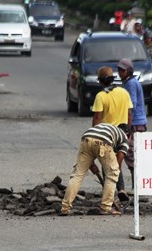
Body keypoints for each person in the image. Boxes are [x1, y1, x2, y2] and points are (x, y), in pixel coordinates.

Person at [59, 123, 130, 216]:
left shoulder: (110, 129)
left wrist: (92, 165)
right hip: (103, 141)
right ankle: (106, 207)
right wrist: (114, 171)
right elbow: (119, 161)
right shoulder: (124, 138)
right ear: (128, 134)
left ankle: (65, 208)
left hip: (86, 138)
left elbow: (90, 149)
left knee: (77, 175)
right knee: (112, 175)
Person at [92, 66, 133, 198]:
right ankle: (121, 189)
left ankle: (108, 192)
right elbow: (129, 113)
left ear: (101, 81)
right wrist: (128, 131)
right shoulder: (123, 92)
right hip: (122, 133)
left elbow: (97, 117)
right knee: (116, 162)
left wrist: (94, 134)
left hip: (107, 134)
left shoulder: (101, 96)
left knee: (106, 163)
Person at [117, 58, 147, 192]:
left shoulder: (131, 84)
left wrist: (127, 125)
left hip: (135, 123)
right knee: (132, 153)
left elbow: (132, 105)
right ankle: (136, 186)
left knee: (130, 153)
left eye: (122, 70)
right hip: (136, 122)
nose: (120, 72)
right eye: (119, 69)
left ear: (128, 71)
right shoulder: (130, 82)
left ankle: (137, 186)